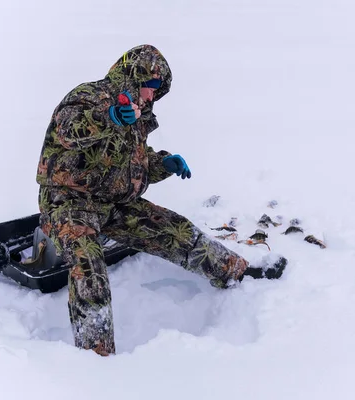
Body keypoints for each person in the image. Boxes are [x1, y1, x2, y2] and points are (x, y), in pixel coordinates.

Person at [35, 44, 285, 356]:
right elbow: (67, 130)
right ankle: (94, 356)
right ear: (131, 78)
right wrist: (109, 117)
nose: (152, 96)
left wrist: (161, 164)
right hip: (69, 202)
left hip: (112, 203)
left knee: (174, 229)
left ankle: (235, 272)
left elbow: (127, 165)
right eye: (149, 87)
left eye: (156, 90)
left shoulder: (138, 114)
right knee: (88, 266)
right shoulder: (89, 96)